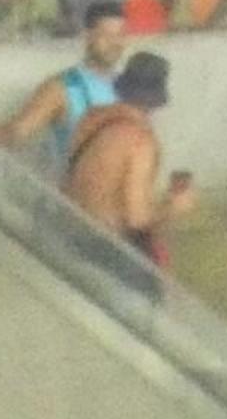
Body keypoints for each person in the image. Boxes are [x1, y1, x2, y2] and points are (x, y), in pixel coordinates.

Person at [62, 52, 192, 266]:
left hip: (73, 238)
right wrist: (173, 207)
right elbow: (136, 219)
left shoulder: (91, 118)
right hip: (110, 254)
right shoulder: (141, 142)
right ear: (157, 100)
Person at [0, 3, 132, 161]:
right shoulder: (61, 87)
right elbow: (17, 132)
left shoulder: (131, 86)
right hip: (74, 182)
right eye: (106, 35)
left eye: (120, 35)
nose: (115, 43)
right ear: (88, 36)